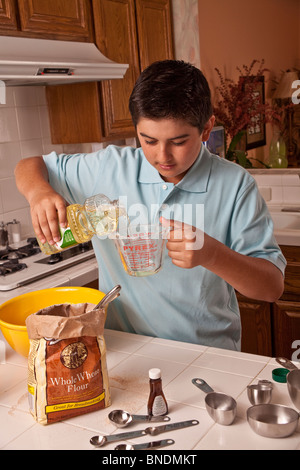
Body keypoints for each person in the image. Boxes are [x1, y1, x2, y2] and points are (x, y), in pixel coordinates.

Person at [15, 60, 286, 351]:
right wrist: (39, 193)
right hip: (123, 350)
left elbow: (271, 287)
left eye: (179, 141)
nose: (162, 155)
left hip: (206, 354)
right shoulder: (109, 167)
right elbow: (30, 165)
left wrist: (212, 254)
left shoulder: (235, 185)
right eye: (149, 140)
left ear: (207, 128)